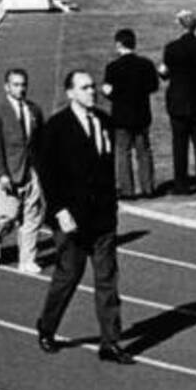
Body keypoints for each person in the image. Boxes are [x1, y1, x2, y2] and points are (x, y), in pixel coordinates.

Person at [35, 70, 133, 365]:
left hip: (102, 217)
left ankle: (110, 342)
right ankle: (47, 326)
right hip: (71, 218)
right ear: (70, 93)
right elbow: (47, 172)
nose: (93, 92)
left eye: (93, 87)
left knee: (107, 280)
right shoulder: (57, 127)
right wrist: (59, 210)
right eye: (85, 88)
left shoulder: (104, 121)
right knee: (68, 276)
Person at [0, 68, 45, 273]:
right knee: (8, 215)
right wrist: (1, 173)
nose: (21, 89)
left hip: (31, 170)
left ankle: (27, 259)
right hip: (9, 171)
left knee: (32, 215)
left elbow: (41, 142)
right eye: (16, 85)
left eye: (23, 85)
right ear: (7, 87)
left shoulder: (34, 110)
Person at [159, 10, 196, 194]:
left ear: (180, 25)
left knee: (179, 144)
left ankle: (181, 184)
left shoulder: (172, 48)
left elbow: (165, 73)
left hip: (178, 100)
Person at [102, 28, 159, 199]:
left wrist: (109, 92)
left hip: (121, 116)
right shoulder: (146, 64)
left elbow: (109, 91)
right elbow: (153, 86)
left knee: (123, 153)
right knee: (144, 152)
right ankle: (148, 187)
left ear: (119, 44)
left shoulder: (113, 67)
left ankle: (127, 189)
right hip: (141, 114)